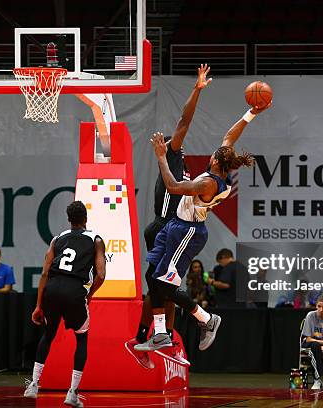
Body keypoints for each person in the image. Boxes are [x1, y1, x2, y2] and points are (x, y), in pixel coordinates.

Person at [134, 98, 270, 354]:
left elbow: (173, 187)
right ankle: (161, 334)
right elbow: (231, 135)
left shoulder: (209, 184)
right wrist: (251, 113)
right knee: (154, 279)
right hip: (175, 226)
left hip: (187, 232)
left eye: (215, 155)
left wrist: (162, 157)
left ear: (217, 163)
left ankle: (207, 319)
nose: (213, 153)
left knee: (165, 285)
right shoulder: (221, 166)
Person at [125, 64, 211, 369]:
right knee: (165, 287)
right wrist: (197, 90)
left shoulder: (181, 160)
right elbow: (185, 120)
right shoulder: (172, 153)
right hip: (165, 229)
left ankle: (156, 338)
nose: (182, 139)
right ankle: (188, 325)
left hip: (170, 228)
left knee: (164, 288)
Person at [24, 201, 106, 408]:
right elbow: (101, 275)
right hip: (74, 290)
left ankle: (34, 385)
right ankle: (72, 393)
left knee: (48, 335)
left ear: (69, 219)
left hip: (52, 289)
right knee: (82, 339)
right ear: (86, 218)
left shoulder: (57, 239)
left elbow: (44, 273)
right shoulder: (96, 240)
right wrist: (89, 294)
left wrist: (38, 305)